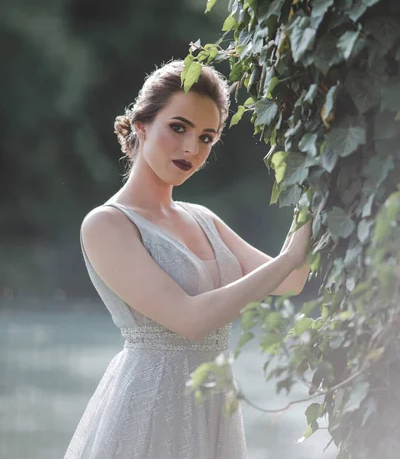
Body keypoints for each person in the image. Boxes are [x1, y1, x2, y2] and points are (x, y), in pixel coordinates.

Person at [63, 59, 312, 459]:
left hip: (213, 402)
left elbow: (290, 279)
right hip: (150, 408)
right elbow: (190, 320)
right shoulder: (106, 225)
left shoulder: (203, 218)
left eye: (207, 137)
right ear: (141, 126)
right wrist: (289, 258)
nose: (191, 149)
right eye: (178, 128)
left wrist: (314, 186)